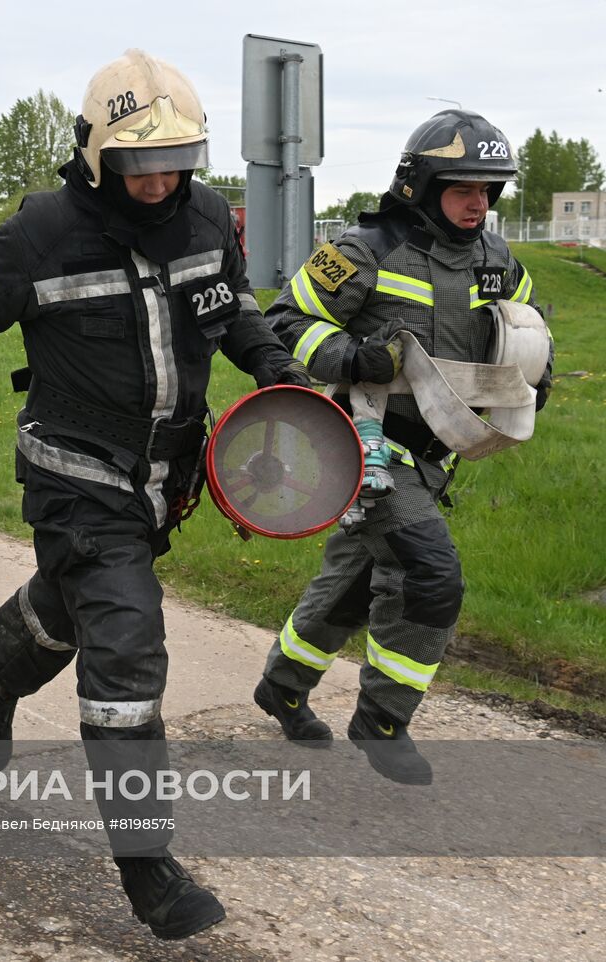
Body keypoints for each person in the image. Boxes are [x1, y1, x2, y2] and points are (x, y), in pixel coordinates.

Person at [0, 50, 309, 942]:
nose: (157, 185)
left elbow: (229, 310)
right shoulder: (37, 232)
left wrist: (271, 362)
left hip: (163, 480)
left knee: (66, 612)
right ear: (95, 154)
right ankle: (148, 871)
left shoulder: (202, 216)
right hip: (75, 474)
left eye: (173, 164)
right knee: (125, 643)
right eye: (138, 165)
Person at [250, 109, 549, 784]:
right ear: (422, 186)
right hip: (363, 443)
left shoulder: (496, 258)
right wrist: (354, 357)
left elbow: (527, 330)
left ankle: (283, 685)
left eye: (490, 189)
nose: (480, 203)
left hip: (437, 452)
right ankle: (382, 718)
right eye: (464, 188)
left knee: (355, 583)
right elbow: (283, 322)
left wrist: (538, 375)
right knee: (429, 575)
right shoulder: (363, 250)